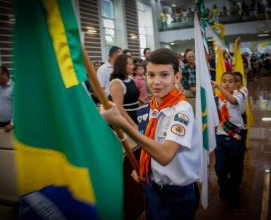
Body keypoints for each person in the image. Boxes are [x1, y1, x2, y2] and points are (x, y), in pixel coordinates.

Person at [101, 48, 200, 220]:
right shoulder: (152, 105)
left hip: (176, 194)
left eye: (164, 75)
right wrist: (143, 168)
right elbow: (149, 141)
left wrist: (122, 123)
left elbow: (165, 154)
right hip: (151, 185)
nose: (156, 82)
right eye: (151, 75)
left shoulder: (181, 111)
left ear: (176, 77)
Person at [211, 72, 246, 211]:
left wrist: (218, 86)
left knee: (236, 170)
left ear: (236, 83)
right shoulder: (216, 98)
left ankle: (234, 197)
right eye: (223, 81)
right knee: (220, 168)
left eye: (230, 81)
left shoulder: (240, 94)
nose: (227, 83)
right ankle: (223, 186)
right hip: (220, 138)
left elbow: (232, 100)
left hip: (236, 138)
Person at [109, 55, 139, 128]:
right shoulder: (117, 83)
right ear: (122, 66)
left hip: (135, 116)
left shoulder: (130, 78)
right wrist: (133, 124)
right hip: (126, 121)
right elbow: (119, 107)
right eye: (130, 64)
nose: (133, 66)